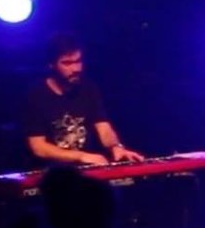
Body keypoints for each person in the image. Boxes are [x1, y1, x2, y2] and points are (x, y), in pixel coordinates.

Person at [23, 34, 145, 167]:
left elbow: (103, 126)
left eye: (78, 61)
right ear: (51, 65)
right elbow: (38, 147)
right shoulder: (36, 95)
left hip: (88, 169)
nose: (76, 69)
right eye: (67, 63)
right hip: (54, 173)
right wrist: (81, 156)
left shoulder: (88, 89)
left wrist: (116, 147)